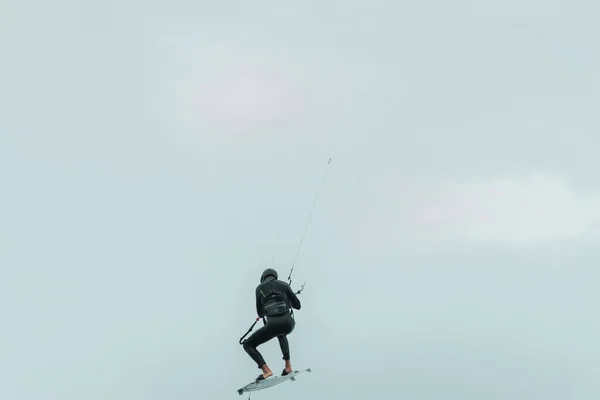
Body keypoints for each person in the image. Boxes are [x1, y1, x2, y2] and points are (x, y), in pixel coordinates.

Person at [242, 268, 301, 381]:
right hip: (288, 324)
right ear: (275, 276)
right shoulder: (284, 285)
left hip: (272, 325)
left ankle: (266, 371)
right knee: (281, 333)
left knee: (248, 345)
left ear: (263, 278)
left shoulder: (259, 288)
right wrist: (287, 299)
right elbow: (297, 305)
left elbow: (260, 312)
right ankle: (288, 366)